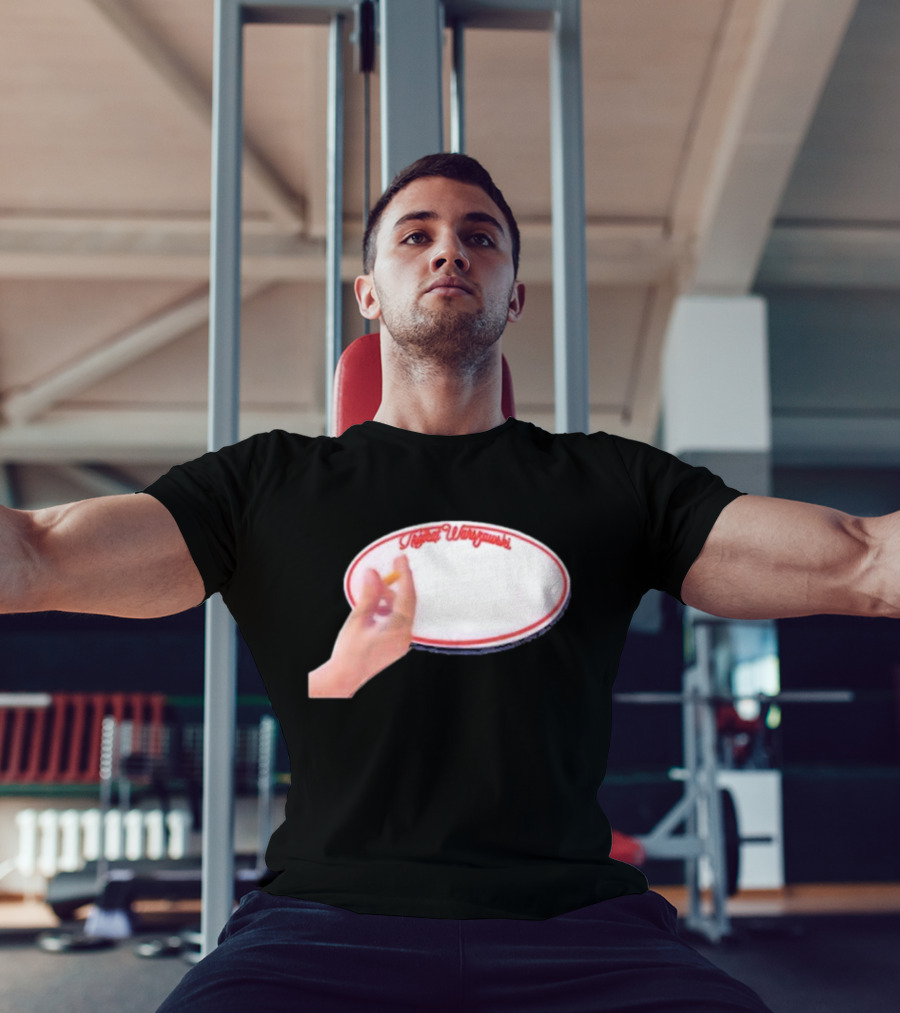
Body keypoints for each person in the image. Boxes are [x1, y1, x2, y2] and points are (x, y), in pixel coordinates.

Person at [4, 153, 898, 1012]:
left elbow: (861, 559)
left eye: (479, 236)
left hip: (581, 928)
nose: (449, 252)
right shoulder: (264, 486)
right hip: (319, 924)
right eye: (416, 235)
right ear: (368, 293)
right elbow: (41, 553)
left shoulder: (614, 483)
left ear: (515, 295)